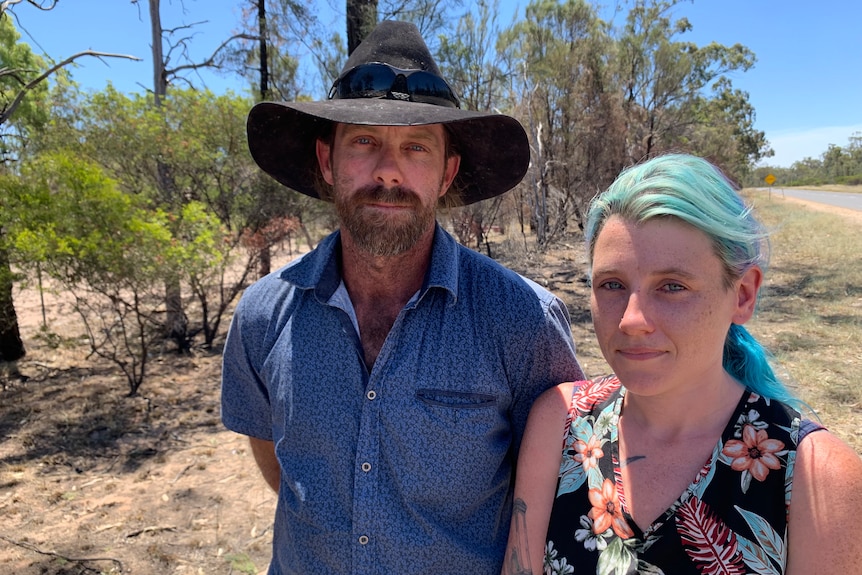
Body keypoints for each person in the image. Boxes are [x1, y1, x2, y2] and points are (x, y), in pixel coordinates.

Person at [221, 20, 586, 575]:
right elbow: (277, 460)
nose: (389, 171)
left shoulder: (522, 321)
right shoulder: (263, 316)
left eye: (416, 147)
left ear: (446, 173)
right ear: (328, 161)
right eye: (364, 141)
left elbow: (559, 489)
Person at [502, 153, 862, 575]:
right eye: (612, 285)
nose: (632, 320)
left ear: (742, 295)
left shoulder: (814, 478)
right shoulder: (561, 423)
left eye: (673, 286)